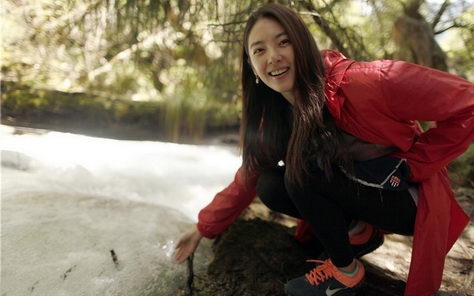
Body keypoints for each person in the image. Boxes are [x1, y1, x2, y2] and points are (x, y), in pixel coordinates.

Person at [174, 3, 473, 296]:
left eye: (283, 42)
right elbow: (248, 176)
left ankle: (346, 273)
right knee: (270, 183)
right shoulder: (278, 114)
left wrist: (414, 164)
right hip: (362, 191)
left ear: (302, 45)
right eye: (259, 50)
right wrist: (202, 228)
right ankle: (358, 231)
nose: (274, 57)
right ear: (252, 66)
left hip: (406, 200)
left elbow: (468, 102)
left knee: (303, 171)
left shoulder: (367, 82)